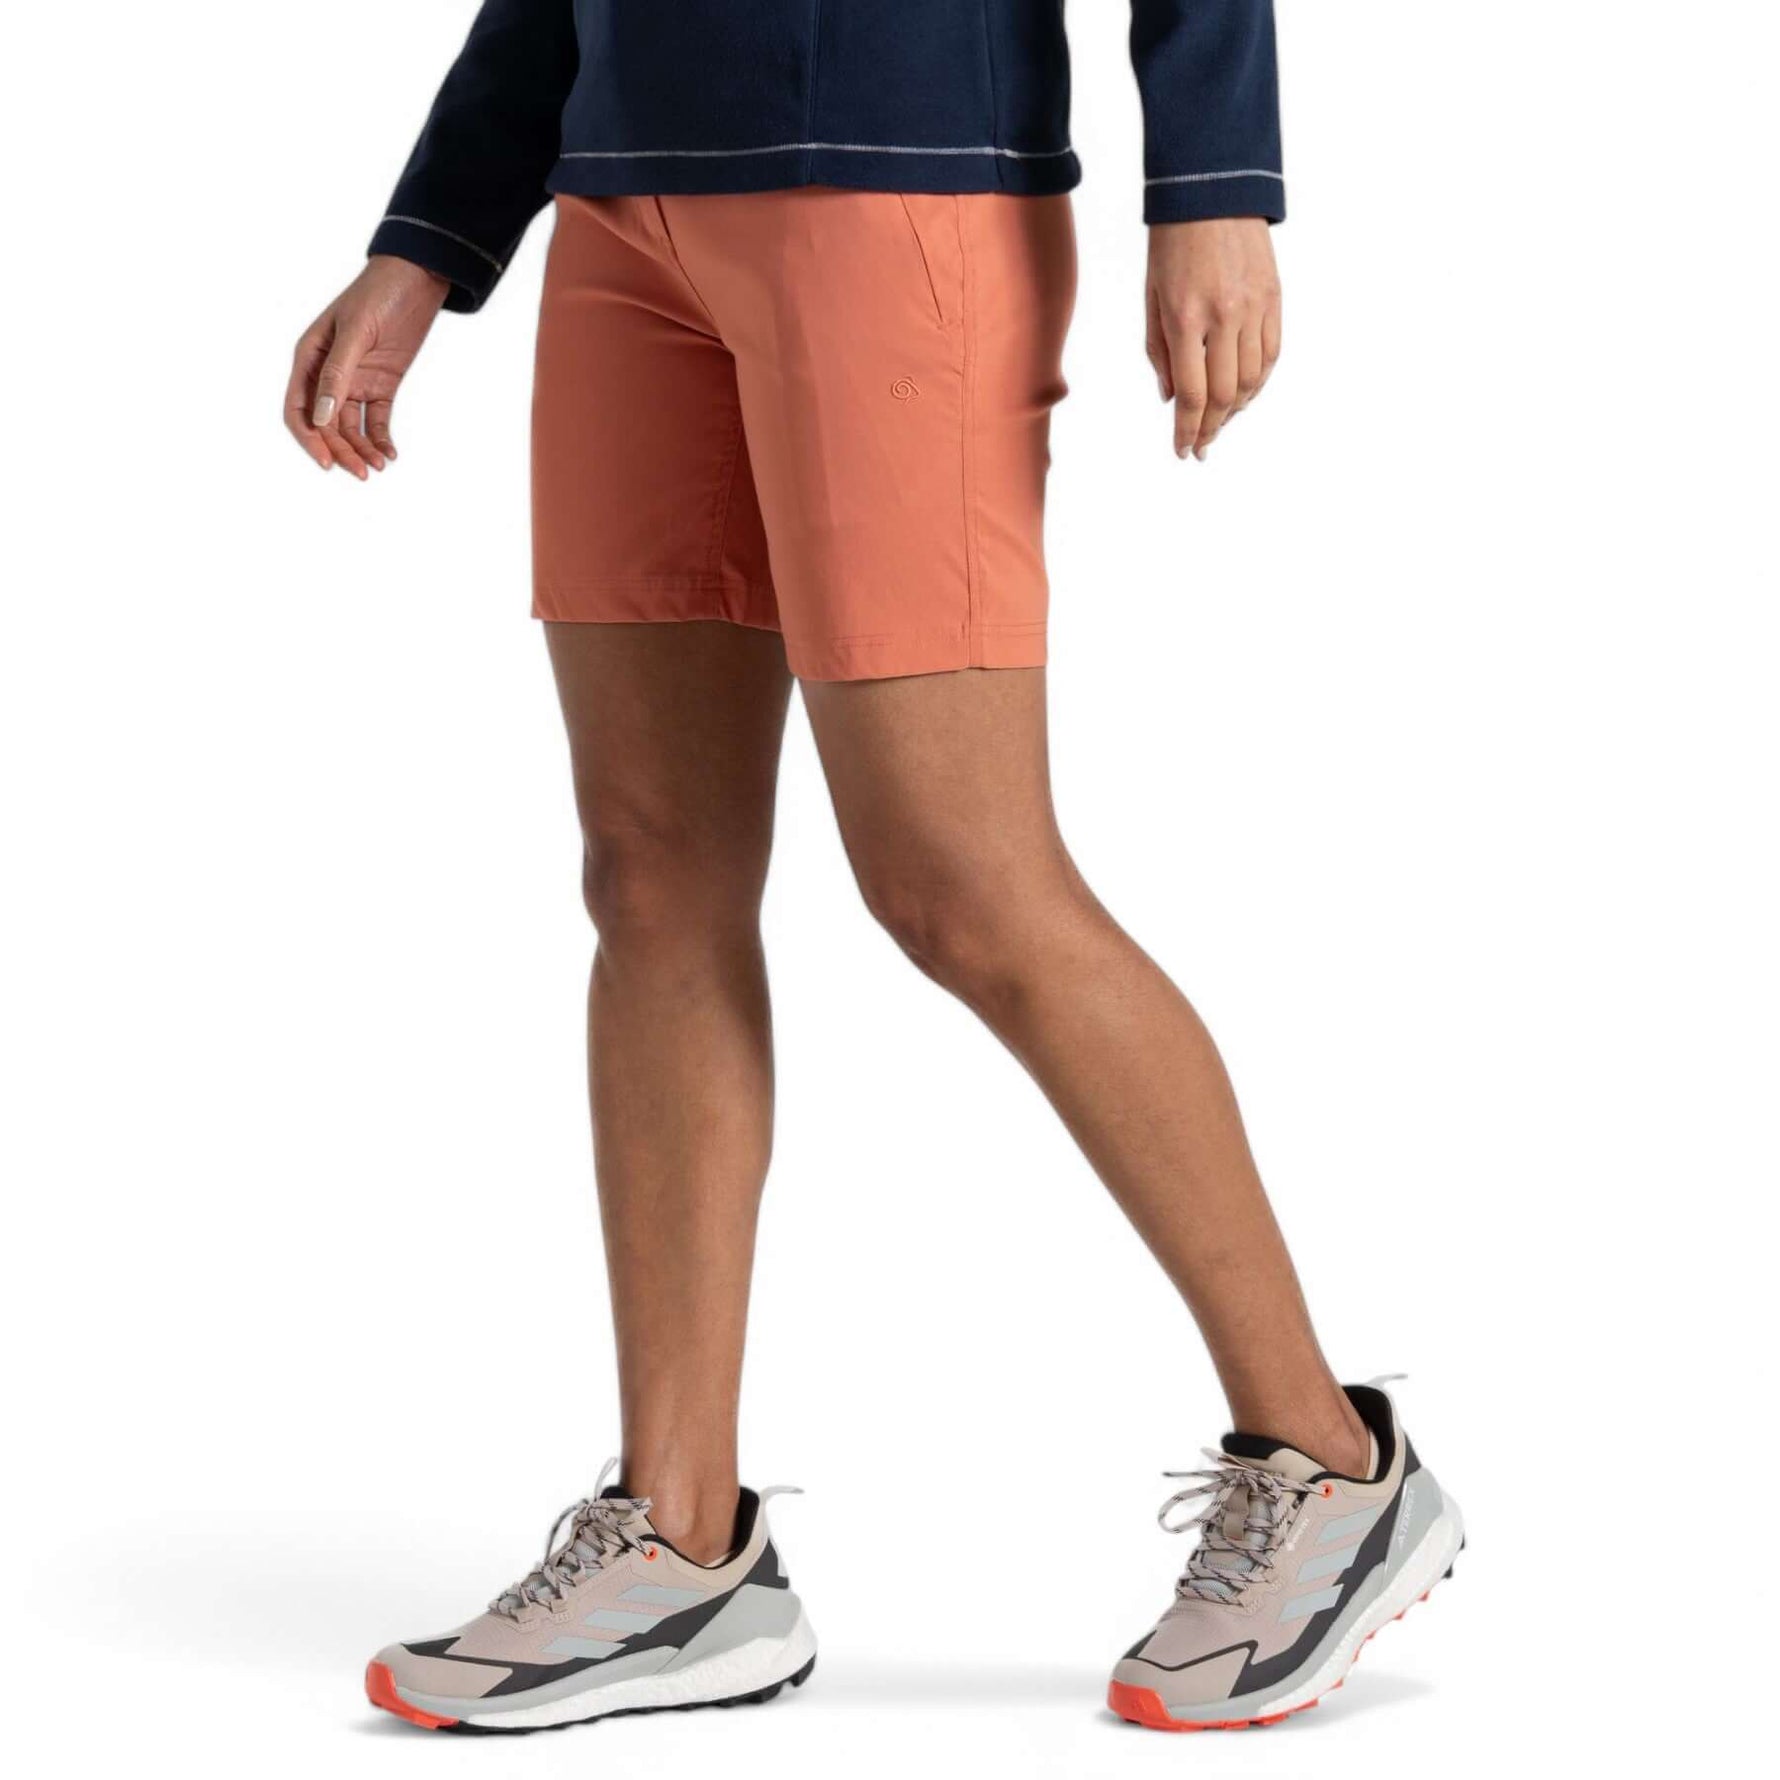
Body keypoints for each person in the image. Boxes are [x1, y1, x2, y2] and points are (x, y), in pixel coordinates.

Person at [288, 0, 1463, 1738]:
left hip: (901, 189)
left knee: (962, 883)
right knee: (650, 876)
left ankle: (1329, 1462)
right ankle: (681, 1546)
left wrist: (1216, 182)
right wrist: (430, 240)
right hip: (624, 206)